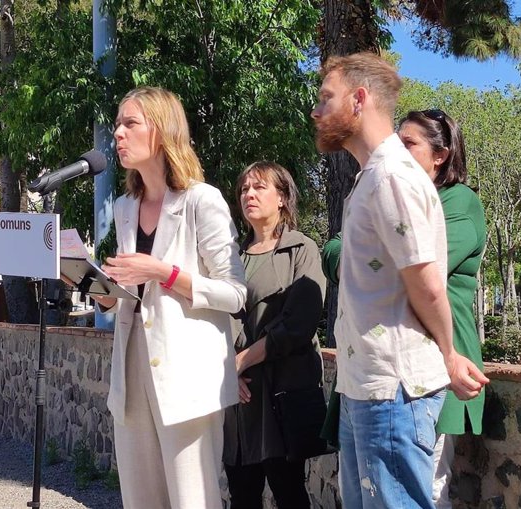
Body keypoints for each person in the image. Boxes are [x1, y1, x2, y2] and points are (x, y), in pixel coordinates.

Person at [311, 52, 489, 509]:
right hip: (364, 386)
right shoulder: (372, 176)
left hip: (392, 392)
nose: (316, 110)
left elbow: (427, 284)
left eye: (326, 97)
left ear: (359, 99)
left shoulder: (391, 175)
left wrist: (449, 354)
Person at [95, 86, 247, 509]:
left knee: (192, 501)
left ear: (160, 132)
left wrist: (164, 273)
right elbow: (135, 296)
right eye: (117, 124)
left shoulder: (203, 200)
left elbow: (235, 293)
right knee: (141, 500)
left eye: (130, 123)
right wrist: (106, 292)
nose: (118, 134)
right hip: (131, 373)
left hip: (187, 379)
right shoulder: (126, 206)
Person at [222, 161, 326, 509]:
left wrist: (240, 362)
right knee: (242, 496)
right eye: (243, 189)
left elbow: (298, 323)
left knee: (289, 494)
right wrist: (228, 371)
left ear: (282, 197)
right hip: (242, 399)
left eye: (259, 187)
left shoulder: (302, 250)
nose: (248, 194)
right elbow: (218, 321)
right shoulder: (230, 258)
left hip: (282, 395)